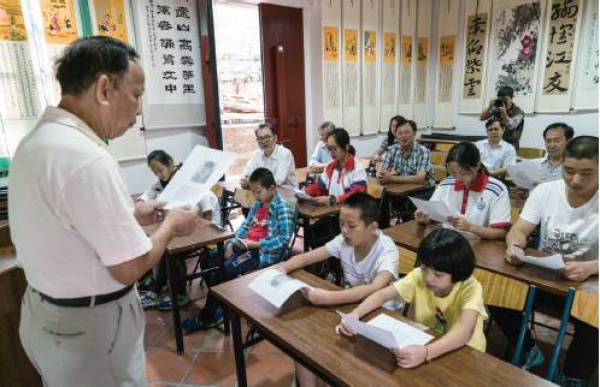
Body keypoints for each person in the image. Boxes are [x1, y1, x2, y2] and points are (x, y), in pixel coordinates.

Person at [10, 36, 198, 387]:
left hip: (43, 314)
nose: (139, 109)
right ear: (104, 89)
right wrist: (170, 225)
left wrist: (133, 212)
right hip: (90, 331)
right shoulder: (87, 157)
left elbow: (69, 221)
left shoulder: (35, 142)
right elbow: (129, 268)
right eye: (137, 95)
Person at [494, 136, 598, 384]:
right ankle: (531, 350)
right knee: (497, 294)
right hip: (545, 277)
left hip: (588, 286)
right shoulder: (545, 191)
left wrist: (592, 267)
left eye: (587, 173)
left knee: (595, 323)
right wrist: (515, 246)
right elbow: (518, 230)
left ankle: (574, 375)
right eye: (569, 171)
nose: (576, 180)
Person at [279, 192, 399, 387]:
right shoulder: (344, 241)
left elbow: (376, 288)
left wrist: (327, 297)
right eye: (341, 223)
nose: (344, 230)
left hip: (380, 318)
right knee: (300, 344)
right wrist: (280, 270)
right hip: (351, 308)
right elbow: (306, 258)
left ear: (372, 227)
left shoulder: (387, 249)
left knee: (333, 362)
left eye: (351, 226)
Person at [338, 228, 487, 369]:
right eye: (425, 268)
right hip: (427, 343)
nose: (429, 278)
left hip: (465, 352)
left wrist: (426, 352)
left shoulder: (470, 287)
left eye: (439, 274)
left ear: (457, 271)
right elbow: (382, 294)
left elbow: (465, 331)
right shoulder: (419, 275)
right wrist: (355, 315)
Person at [182, 168, 295, 331]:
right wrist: (232, 242)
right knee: (208, 260)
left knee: (222, 272)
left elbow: (283, 240)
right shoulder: (257, 204)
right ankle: (222, 302)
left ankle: (208, 317)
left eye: (258, 192)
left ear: (272, 188)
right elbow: (245, 226)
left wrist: (256, 244)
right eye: (253, 192)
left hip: (261, 253)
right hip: (244, 245)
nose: (255, 196)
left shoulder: (281, 208)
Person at [137, 149, 221, 310]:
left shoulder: (187, 179)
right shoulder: (163, 182)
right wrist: (141, 204)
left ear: (169, 163)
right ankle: (156, 287)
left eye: (160, 170)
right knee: (160, 245)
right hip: (184, 227)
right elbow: (147, 195)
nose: (159, 175)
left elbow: (208, 209)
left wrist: (200, 225)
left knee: (173, 253)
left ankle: (180, 295)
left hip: (203, 231)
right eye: (155, 172)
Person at [415, 142, 511, 240]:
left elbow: (500, 233)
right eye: (453, 173)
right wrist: (424, 218)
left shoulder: (497, 189)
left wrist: (471, 227)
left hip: (479, 245)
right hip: (447, 241)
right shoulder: (446, 184)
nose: (458, 178)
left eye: (463, 172)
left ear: (477, 165)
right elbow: (432, 217)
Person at [377, 118, 435, 226]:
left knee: (412, 205)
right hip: (403, 188)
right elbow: (383, 171)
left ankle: (410, 232)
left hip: (423, 190)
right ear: (395, 135)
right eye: (400, 133)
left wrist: (392, 178)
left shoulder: (423, 151)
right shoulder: (393, 150)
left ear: (414, 134)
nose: (403, 136)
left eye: (407, 132)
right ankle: (383, 228)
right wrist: (380, 175)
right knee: (381, 196)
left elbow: (420, 178)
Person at [304, 127, 367, 205]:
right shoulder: (330, 166)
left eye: (334, 148)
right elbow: (319, 187)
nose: (331, 153)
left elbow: (355, 196)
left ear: (346, 147)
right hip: (332, 210)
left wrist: (332, 200)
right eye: (329, 149)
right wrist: (304, 193)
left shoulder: (357, 168)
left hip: (350, 212)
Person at [242, 123, 298, 190]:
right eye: (260, 138)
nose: (264, 141)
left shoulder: (285, 154)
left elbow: (278, 180)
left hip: (288, 192)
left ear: (275, 138)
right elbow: (247, 172)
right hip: (265, 192)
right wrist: (245, 179)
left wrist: (253, 181)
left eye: (267, 137)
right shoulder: (256, 154)